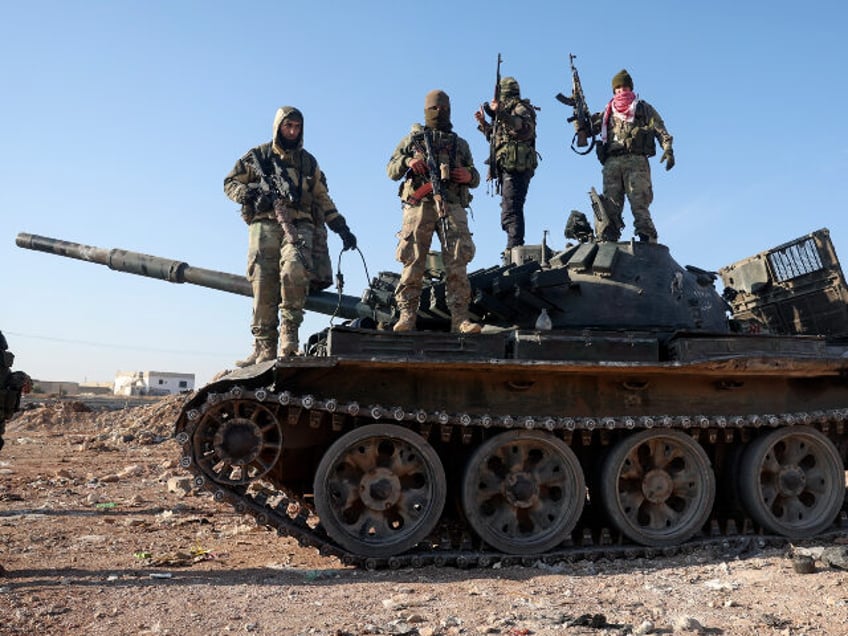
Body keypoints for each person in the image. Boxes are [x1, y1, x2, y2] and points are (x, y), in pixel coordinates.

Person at [224, 106, 357, 365]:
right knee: (262, 281)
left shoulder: (308, 162)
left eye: (297, 127)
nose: (293, 131)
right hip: (264, 225)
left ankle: (289, 339)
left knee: (294, 272)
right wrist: (250, 195)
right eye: (288, 126)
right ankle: (263, 346)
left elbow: (321, 196)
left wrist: (340, 226)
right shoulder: (258, 156)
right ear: (278, 127)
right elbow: (230, 183)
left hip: (300, 225)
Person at [387, 89, 482, 335]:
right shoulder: (412, 141)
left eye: (444, 108)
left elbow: (476, 175)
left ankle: (460, 318)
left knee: (458, 260)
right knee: (413, 259)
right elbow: (391, 169)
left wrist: (468, 175)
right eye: (435, 108)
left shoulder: (460, 144)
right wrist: (409, 162)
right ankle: (407, 315)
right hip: (419, 205)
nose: (440, 113)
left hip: (451, 205)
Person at [593, 69, 674, 243]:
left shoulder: (643, 108)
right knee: (610, 206)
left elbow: (660, 129)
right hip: (612, 163)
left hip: (636, 161)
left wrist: (667, 149)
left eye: (625, 87)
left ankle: (647, 240)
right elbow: (589, 129)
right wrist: (580, 122)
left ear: (631, 88)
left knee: (640, 203)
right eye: (618, 88)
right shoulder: (607, 112)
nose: (622, 91)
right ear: (614, 91)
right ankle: (608, 243)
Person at [474, 76, 538, 250]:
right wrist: (483, 124)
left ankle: (514, 251)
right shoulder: (505, 114)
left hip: (517, 168)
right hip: (506, 167)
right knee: (508, 210)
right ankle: (513, 250)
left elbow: (523, 129)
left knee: (511, 210)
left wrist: (499, 114)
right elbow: (498, 139)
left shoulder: (521, 109)